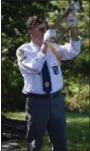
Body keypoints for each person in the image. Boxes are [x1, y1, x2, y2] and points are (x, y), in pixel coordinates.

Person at [16, 12, 81, 151]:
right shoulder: (23, 50)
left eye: (45, 29)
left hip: (56, 100)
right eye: (40, 29)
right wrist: (45, 44)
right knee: (34, 145)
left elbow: (74, 50)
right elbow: (35, 67)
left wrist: (72, 28)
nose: (44, 32)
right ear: (30, 32)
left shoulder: (53, 48)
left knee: (60, 144)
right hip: (37, 102)